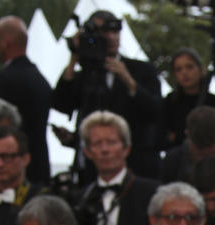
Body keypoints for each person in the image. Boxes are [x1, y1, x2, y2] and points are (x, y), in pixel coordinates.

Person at [51, 10, 162, 180]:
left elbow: (155, 111)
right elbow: (62, 104)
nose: (111, 37)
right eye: (104, 32)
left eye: (115, 31)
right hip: (91, 172)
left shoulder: (142, 70)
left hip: (135, 169)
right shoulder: (87, 74)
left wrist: (129, 82)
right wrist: (74, 57)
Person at [0, 16, 52, 184]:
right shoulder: (40, 79)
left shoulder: (2, 81)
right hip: (40, 168)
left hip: (10, 175)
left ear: (5, 41)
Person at [159, 47, 215, 150]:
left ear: (201, 69)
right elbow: (161, 138)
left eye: (189, 67)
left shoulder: (213, 101)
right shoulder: (170, 102)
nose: (184, 73)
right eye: (178, 69)